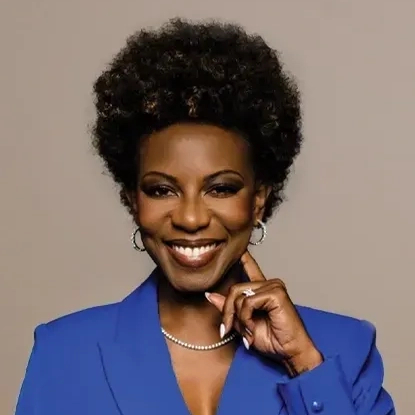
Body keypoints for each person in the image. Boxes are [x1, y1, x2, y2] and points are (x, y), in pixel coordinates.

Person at [15, 18, 395, 415]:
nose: (192, 218)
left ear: (259, 200)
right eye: (162, 190)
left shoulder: (343, 350)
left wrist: (304, 364)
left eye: (221, 188)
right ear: (133, 201)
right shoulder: (65, 352)